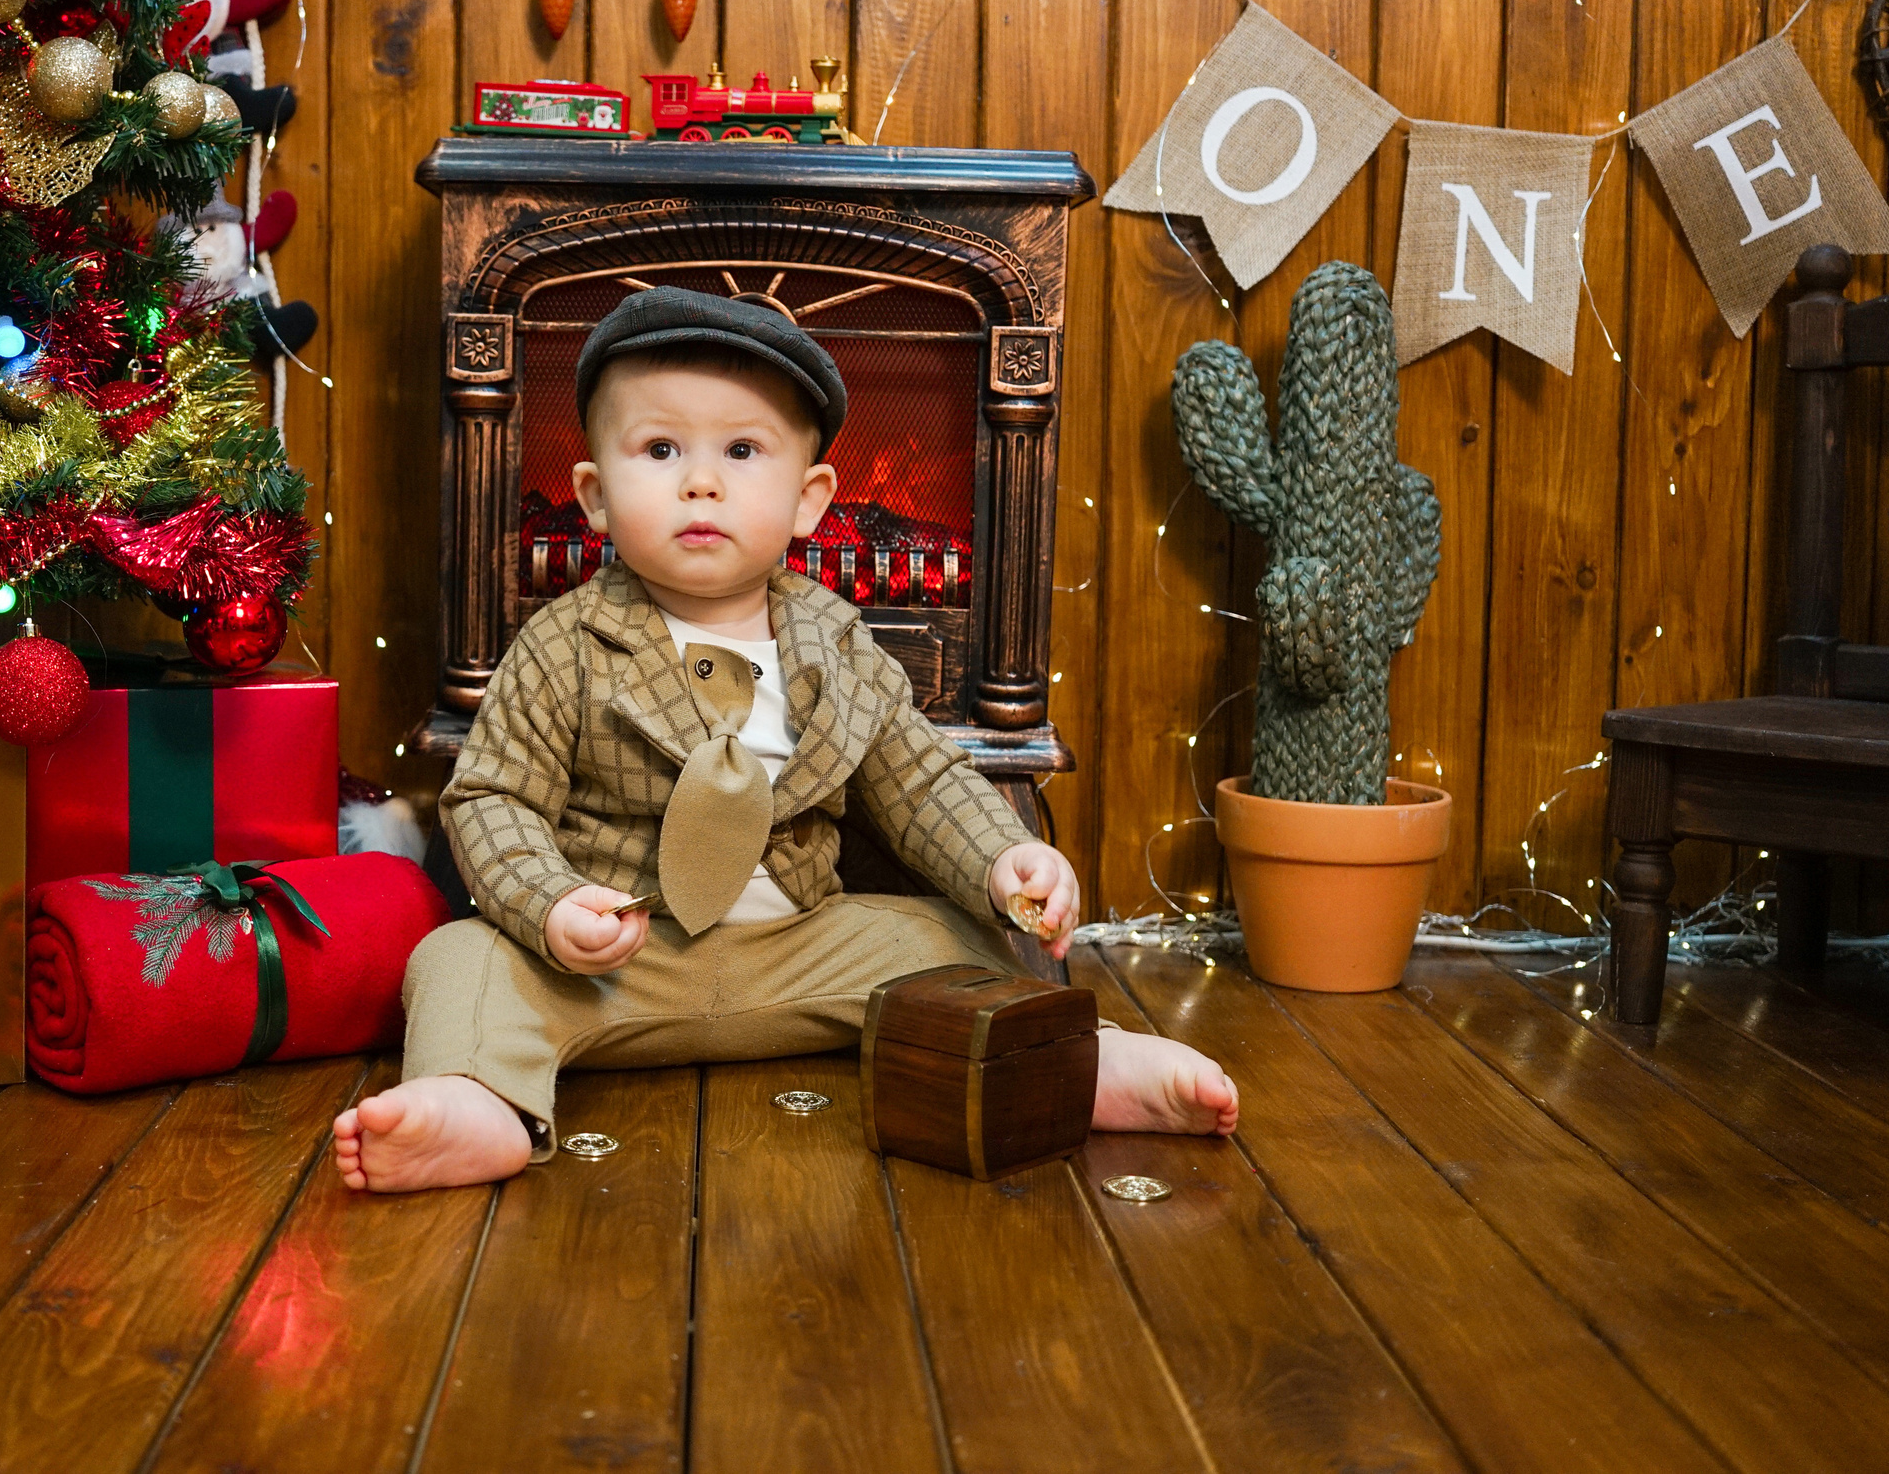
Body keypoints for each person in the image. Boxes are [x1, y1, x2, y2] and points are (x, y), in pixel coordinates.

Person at [334, 288, 1237, 1191]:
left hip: (804, 950)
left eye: (740, 450)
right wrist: (550, 902)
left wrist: (1007, 858)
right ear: (595, 496)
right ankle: (477, 1097)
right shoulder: (565, 645)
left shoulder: (837, 642)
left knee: (955, 939)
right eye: (659, 450)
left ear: (809, 501)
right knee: (456, 956)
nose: (701, 482)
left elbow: (919, 779)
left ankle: (1084, 1063)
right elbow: (494, 796)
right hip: (619, 962)